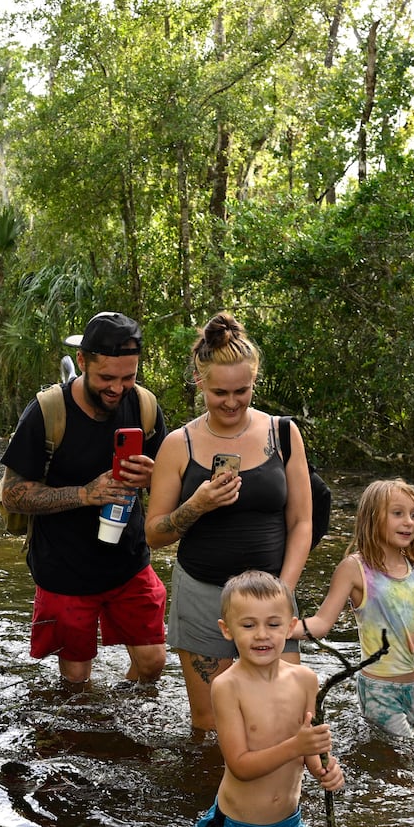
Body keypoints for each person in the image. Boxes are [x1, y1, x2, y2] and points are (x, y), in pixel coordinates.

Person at [145, 312, 312, 730]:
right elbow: (153, 534)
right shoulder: (177, 445)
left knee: (284, 718)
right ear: (200, 382)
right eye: (220, 392)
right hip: (203, 594)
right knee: (211, 721)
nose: (233, 402)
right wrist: (197, 505)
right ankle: (213, 796)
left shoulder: (284, 434)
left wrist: (284, 594)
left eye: (243, 390)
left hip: (272, 599)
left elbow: (302, 523)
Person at [0, 311, 169, 685]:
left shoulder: (143, 405)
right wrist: (85, 494)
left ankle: (126, 726)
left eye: (128, 377)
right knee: (76, 682)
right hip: (63, 568)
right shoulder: (47, 411)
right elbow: (12, 494)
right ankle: (89, 735)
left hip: (128, 561)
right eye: (106, 377)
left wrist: (154, 476)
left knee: (153, 663)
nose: (118, 388)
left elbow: (172, 478)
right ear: (82, 362)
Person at [292, 478, 414, 738]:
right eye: (398, 513)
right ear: (373, 518)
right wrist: (281, 628)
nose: (409, 522)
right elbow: (322, 623)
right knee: (407, 754)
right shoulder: (355, 569)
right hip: (380, 691)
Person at [192, 570, 345, 827]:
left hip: (289, 826)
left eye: (273, 624)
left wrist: (324, 768)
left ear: (290, 627)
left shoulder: (305, 680)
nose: (262, 635)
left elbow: (308, 749)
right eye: (248, 625)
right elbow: (240, 766)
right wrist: (296, 745)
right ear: (227, 630)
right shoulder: (227, 686)